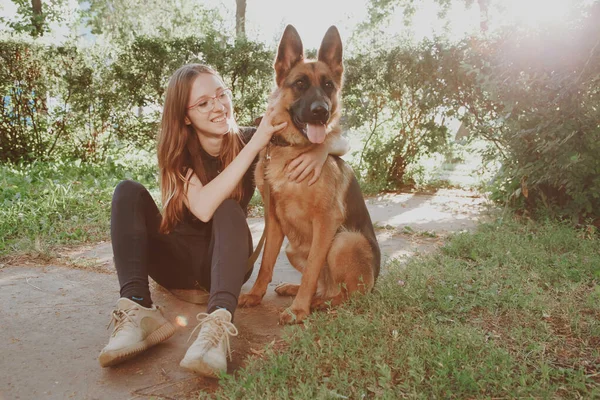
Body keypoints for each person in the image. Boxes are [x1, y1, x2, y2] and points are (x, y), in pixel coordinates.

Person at [98, 63, 349, 377]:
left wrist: (320, 151)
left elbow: (338, 139)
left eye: (221, 95)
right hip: (175, 268)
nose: (218, 106)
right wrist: (257, 144)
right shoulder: (178, 151)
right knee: (128, 191)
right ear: (185, 116)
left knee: (229, 209)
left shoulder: (248, 137)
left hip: (224, 268)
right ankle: (137, 310)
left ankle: (217, 327)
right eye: (203, 103)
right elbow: (203, 207)